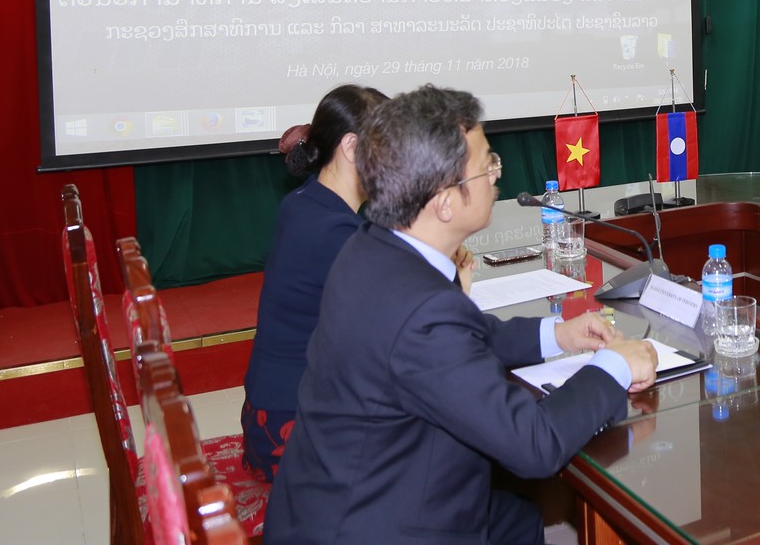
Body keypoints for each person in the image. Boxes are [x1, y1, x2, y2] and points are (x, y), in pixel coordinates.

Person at [265, 85, 658, 545]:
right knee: (525, 490)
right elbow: (533, 444)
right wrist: (615, 365)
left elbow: (462, 337)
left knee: (517, 517)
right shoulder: (421, 309)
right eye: (487, 165)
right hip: (375, 522)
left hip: (342, 494)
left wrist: (557, 335)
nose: (496, 176)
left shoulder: (372, 247)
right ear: (445, 201)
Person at [240, 83, 389, 481]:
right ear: (353, 147)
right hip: (294, 436)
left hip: (269, 413)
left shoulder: (304, 202)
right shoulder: (335, 233)